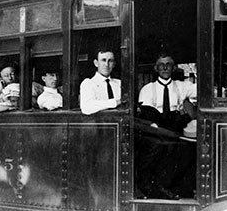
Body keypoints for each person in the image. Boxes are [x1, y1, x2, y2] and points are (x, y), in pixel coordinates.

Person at [135, 54, 197, 199]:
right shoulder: (147, 89)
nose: (164, 67)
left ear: (174, 68)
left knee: (188, 148)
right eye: (161, 64)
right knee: (157, 147)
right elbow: (148, 116)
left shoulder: (182, 86)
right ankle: (154, 188)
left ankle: (178, 188)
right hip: (154, 130)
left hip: (175, 127)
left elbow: (205, 90)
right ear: (156, 68)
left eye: (168, 64)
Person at [79, 49, 122, 115]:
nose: (106, 64)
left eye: (110, 61)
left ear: (114, 64)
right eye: (103, 60)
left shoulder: (119, 83)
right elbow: (87, 107)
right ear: (96, 63)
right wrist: (115, 102)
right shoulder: (89, 84)